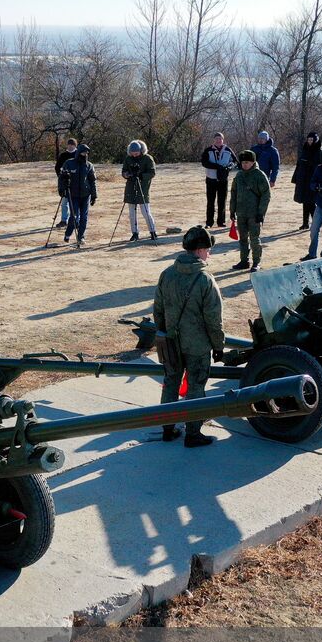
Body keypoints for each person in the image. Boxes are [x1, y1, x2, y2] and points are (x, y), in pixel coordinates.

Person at [153, 225, 225, 448]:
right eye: (207, 249)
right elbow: (214, 319)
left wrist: (165, 333)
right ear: (199, 251)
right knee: (195, 387)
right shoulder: (205, 280)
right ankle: (193, 434)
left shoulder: (167, 274)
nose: (209, 254)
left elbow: (158, 311)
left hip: (172, 343)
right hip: (197, 345)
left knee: (171, 383)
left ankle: (167, 428)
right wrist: (218, 345)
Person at [228, 150, 272, 272]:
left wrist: (261, 213)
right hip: (241, 213)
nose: (244, 165)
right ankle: (244, 261)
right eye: (243, 163)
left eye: (247, 162)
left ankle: (256, 262)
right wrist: (232, 211)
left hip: (254, 214)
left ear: (253, 162)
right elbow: (234, 194)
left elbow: (266, 195)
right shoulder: (239, 176)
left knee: (254, 239)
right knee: (242, 239)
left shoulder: (259, 175)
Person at [60, 142, 97, 248]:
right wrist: (62, 189)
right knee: (74, 216)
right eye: (83, 152)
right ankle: (68, 233)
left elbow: (93, 181)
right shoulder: (69, 163)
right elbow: (62, 178)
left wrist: (94, 195)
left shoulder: (89, 165)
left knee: (84, 218)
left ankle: (81, 237)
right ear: (79, 152)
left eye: (86, 153)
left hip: (85, 195)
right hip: (73, 195)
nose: (85, 154)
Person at [120, 140, 158, 242]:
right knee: (132, 213)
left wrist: (141, 176)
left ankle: (153, 231)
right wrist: (127, 175)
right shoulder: (128, 159)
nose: (135, 155)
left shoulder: (148, 158)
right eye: (133, 153)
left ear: (141, 151)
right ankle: (135, 233)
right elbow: (123, 171)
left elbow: (152, 173)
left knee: (146, 212)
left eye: (136, 153)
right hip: (130, 188)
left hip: (143, 188)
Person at [200, 132, 236, 227]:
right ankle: (209, 223)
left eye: (220, 139)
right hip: (211, 179)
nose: (218, 141)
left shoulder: (228, 150)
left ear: (223, 140)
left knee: (222, 202)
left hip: (223, 180)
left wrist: (229, 167)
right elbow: (204, 162)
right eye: (216, 139)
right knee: (210, 202)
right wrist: (216, 166)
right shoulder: (208, 150)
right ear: (214, 140)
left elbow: (235, 162)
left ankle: (221, 222)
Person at [290, 132, 322, 230]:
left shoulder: (319, 152)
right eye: (308, 140)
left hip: (313, 181)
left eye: (311, 140)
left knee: (311, 202)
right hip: (303, 180)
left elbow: (320, 167)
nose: (309, 142)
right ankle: (305, 223)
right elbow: (298, 165)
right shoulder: (304, 150)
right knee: (305, 202)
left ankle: (316, 223)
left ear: (315, 140)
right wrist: (295, 178)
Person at [54, 137, 78, 225]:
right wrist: (61, 177)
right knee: (64, 202)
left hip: (76, 183)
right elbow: (57, 167)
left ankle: (76, 220)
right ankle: (64, 220)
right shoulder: (63, 155)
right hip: (65, 182)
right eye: (69, 145)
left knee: (76, 202)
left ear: (75, 145)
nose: (70, 146)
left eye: (72, 145)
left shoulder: (78, 154)